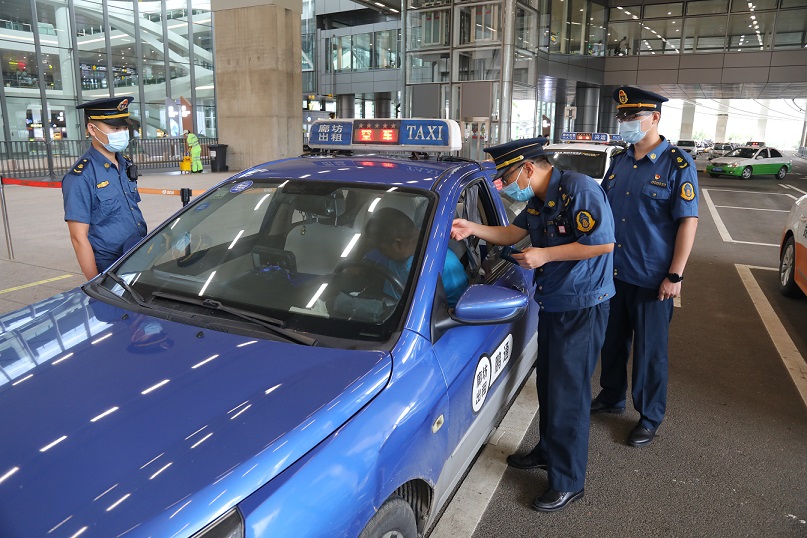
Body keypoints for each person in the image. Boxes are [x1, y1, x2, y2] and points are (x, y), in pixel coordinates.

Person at [451, 137, 615, 513]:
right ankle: (547, 450)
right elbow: (513, 233)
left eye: (507, 175)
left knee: (569, 395)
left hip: (583, 306)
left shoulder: (579, 189)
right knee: (549, 386)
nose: (504, 184)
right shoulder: (539, 199)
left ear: (528, 168)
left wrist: (544, 255)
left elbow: (603, 244)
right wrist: (472, 228)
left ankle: (568, 481)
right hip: (556, 303)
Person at [591, 86, 699, 448]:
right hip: (615, 272)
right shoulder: (620, 161)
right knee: (612, 342)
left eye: (631, 117)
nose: (624, 123)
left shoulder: (677, 165)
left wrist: (675, 275)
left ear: (654, 118)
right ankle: (611, 397)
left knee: (650, 351)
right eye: (621, 117)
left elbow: (688, 222)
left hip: (654, 278)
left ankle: (650, 416)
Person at [62, 96, 147, 280]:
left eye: (125, 128)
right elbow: (78, 238)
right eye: (115, 128)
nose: (122, 133)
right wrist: (97, 283)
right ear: (92, 129)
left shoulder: (124, 164)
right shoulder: (81, 176)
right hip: (110, 267)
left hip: (137, 256)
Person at [364, 207, 468, 307]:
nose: (381, 254)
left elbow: (457, 312)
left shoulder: (446, 266)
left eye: (382, 249)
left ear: (398, 244)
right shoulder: (398, 250)